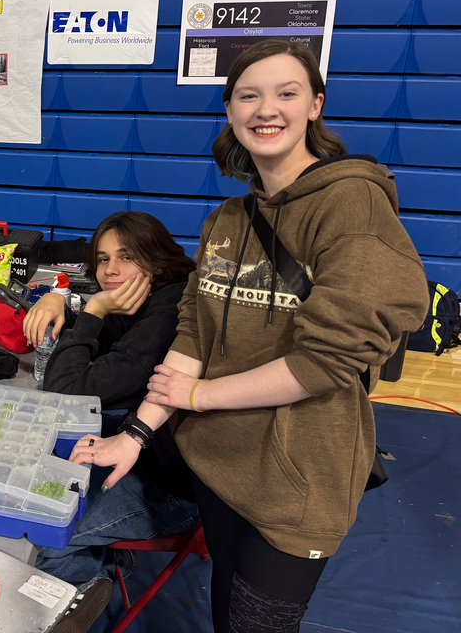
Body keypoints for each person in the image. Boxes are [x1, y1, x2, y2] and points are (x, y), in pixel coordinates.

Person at [68, 40, 429, 633]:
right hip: (217, 464)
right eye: (248, 95)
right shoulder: (227, 221)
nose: (266, 109)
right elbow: (193, 335)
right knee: (225, 610)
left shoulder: (352, 204)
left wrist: (200, 396)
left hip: (297, 478)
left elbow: (325, 360)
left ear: (315, 105)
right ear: (230, 111)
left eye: (287, 93)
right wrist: (135, 434)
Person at [27, 212, 199, 587]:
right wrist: (63, 304)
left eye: (127, 256)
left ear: (157, 261)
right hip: (137, 445)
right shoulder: (151, 294)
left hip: (173, 487)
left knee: (47, 533)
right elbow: (102, 344)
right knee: (30, 441)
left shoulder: (167, 316)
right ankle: (100, 561)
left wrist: (94, 310)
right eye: (103, 259)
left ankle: (82, 599)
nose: (110, 270)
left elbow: (64, 392)